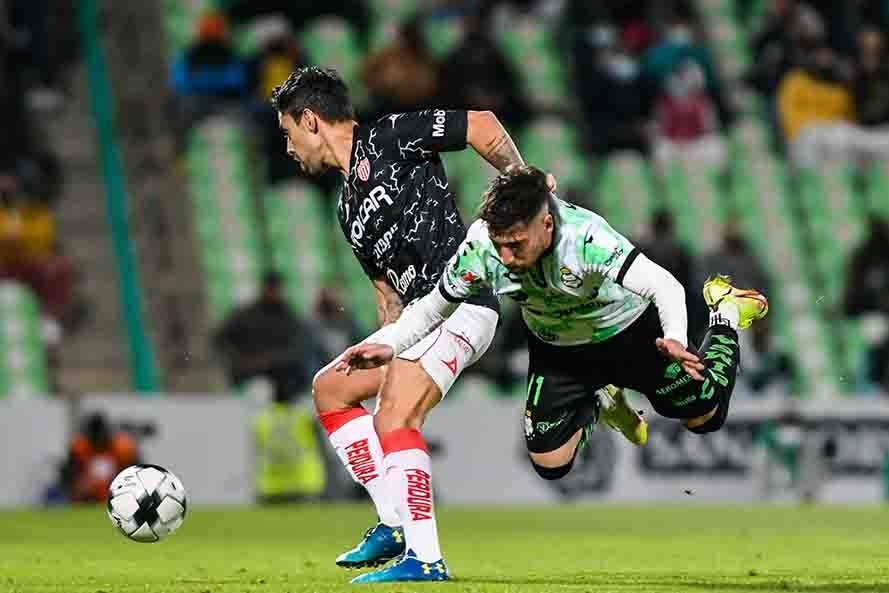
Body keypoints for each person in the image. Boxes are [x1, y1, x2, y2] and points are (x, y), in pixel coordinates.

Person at [270, 67, 645, 583]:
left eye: (288, 132)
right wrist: (388, 340)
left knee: (396, 418)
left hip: (462, 301)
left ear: (310, 120)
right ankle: (394, 524)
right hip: (419, 319)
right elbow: (387, 295)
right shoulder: (346, 207)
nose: (288, 147)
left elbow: (482, 125)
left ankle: (425, 558)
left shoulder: (390, 137)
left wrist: (524, 189)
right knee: (332, 388)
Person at [337, 166, 769, 497]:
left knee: (706, 416)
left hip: (630, 333)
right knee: (550, 461)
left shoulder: (585, 240)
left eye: (516, 244)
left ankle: (726, 311)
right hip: (558, 350)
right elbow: (433, 306)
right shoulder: (482, 248)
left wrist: (675, 334)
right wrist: (387, 343)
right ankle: (601, 400)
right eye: (500, 243)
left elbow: (663, 284)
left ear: (545, 225)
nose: (506, 256)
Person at [214, 271, 325, 402]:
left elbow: (298, 349)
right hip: (252, 376)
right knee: (260, 391)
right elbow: (221, 340)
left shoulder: (290, 318)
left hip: (285, 378)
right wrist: (240, 360)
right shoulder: (245, 316)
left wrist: (272, 360)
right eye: (271, 288)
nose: (273, 292)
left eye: (276, 288)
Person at [59, 413, 139, 503]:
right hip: (86, 498)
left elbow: (136, 476)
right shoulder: (79, 448)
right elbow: (68, 477)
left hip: (117, 496)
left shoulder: (122, 448)